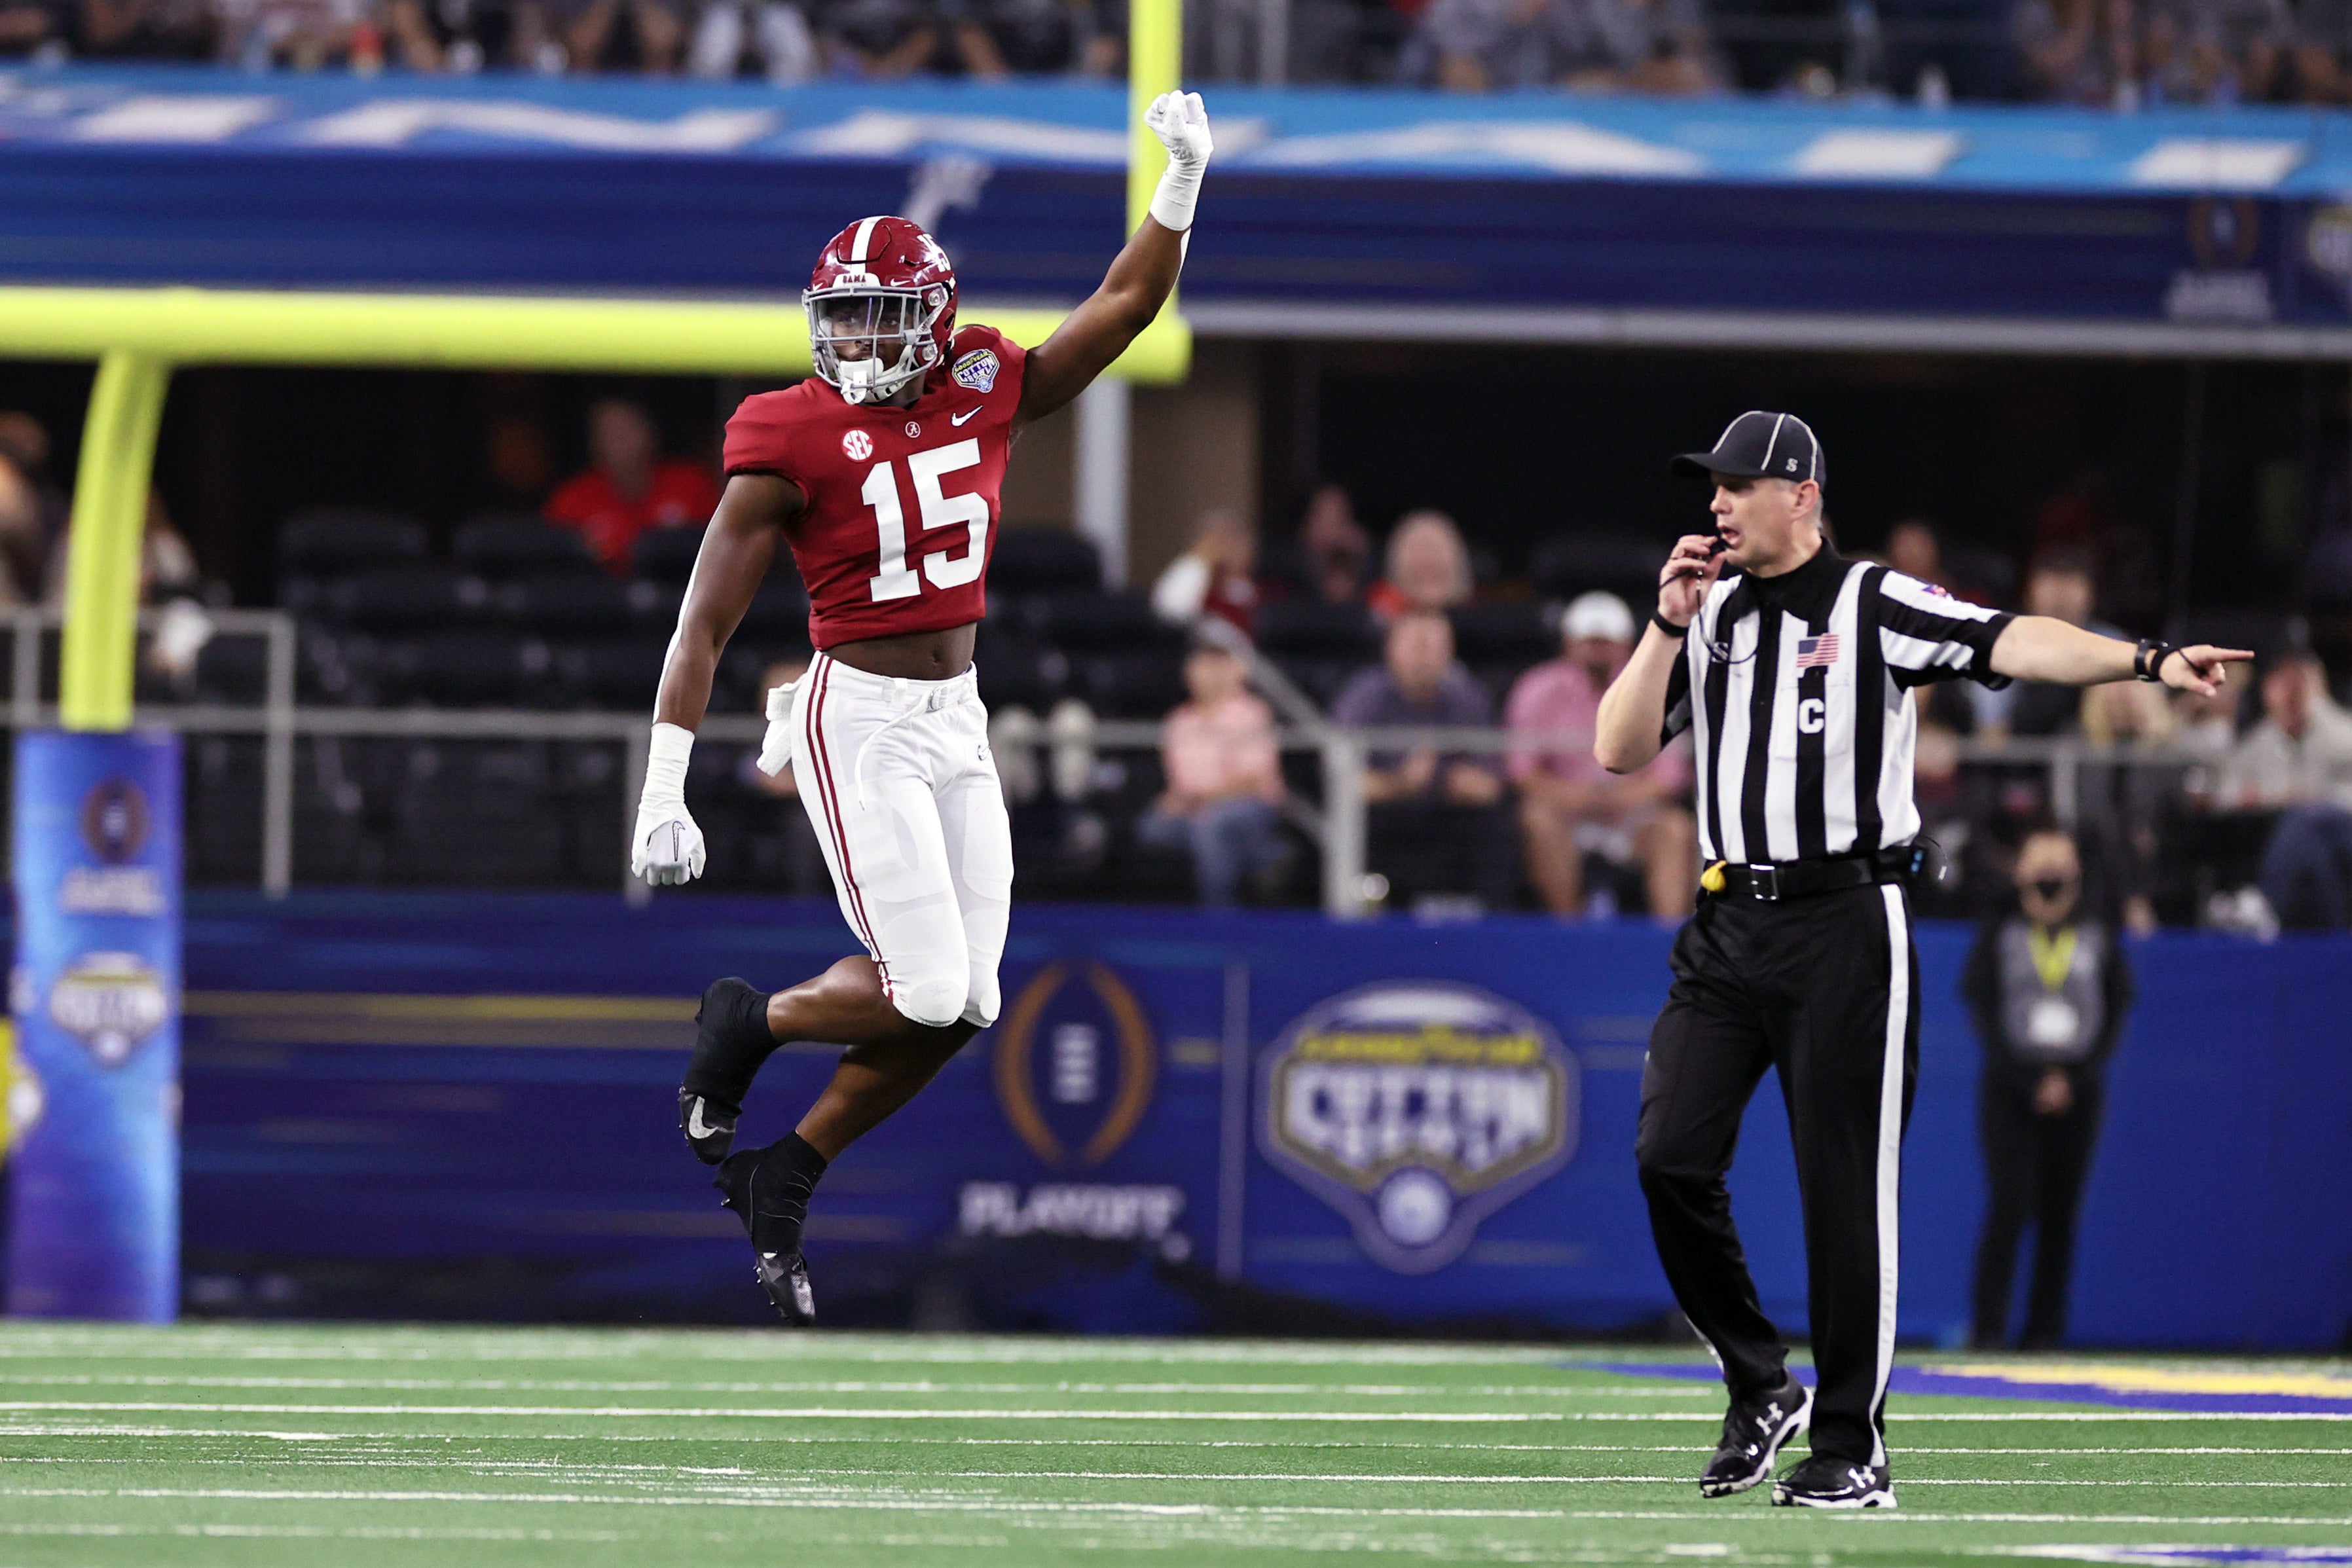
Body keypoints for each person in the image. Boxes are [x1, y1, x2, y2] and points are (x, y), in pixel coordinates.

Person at [1593, 409, 2247, 1509]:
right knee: (1667, 1156)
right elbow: (1615, 750)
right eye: (1709, 486)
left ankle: (1852, 1444)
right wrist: (1663, 625)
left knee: (1842, 1192)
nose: (1714, 504)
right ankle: (1759, 1383)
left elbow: (2012, 638)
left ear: (1799, 495)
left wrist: (2146, 659)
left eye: (1736, 485)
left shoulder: (1871, 600)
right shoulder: (1708, 620)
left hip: (1844, 919)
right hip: (1725, 922)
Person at [634, 92, 1215, 1325]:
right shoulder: (786, 431)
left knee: (974, 1000)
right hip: (859, 718)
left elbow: (1119, 311)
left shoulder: (978, 375)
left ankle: (786, 1172)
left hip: (958, 716)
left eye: (876, 317)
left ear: (931, 317)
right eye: (837, 318)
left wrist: (1179, 185)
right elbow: (705, 619)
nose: (853, 342)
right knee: (927, 987)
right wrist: (662, 783)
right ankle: (749, 1022)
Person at [1963, 826, 2133, 1351]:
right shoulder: (2000, 934)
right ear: (2020, 871)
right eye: (2040, 862)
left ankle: (2045, 1328)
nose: (2051, 874)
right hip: (2012, 1088)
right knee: (2011, 1201)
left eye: (2061, 862)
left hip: (2079, 1090)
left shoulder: (2099, 934)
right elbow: (1983, 1013)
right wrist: (2031, 1078)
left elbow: (2115, 1011)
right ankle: (1988, 1327)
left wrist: (2071, 1078)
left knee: (2061, 1210)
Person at [1506, 591, 1696, 919]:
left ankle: (1669, 939)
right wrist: (1574, 797)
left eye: (1606, 641)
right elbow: (1522, 771)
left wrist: (1623, 799)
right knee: (1537, 820)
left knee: (1675, 829)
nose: (1597, 650)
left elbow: (1670, 776)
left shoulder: (1654, 684)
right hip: (1565, 811)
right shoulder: (1537, 688)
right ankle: (1570, 933)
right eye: (1588, 641)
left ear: (1625, 644)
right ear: (1569, 642)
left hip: (1633, 815)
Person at [1333, 608, 1514, 909]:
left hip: (1449, 813)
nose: (1426, 657)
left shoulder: (1467, 698)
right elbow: (1344, 785)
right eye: (1417, 646)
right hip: (1388, 815)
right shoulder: (1364, 697)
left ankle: (1493, 927)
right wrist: (1402, 783)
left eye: (1436, 647)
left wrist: (1465, 783)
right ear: (1391, 649)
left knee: (1498, 828)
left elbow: (1491, 784)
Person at [1137, 642, 1289, 907]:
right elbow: (1180, 781)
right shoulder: (1179, 722)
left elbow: (1252, 779)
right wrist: (1175, 800)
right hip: (1196, 807)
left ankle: (1218, 915)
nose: (1202, 675)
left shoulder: (1250, 712)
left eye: (1209, 667)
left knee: (1211, 827)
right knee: (1153, 827)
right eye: (1196, 668)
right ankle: (1266, 854)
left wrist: (1205, 799)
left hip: (1251, 804)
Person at [2215, 652, 2352, 927]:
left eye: (2299, 684)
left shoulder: (2342, 733)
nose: (2291, 695)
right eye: (2282, 686)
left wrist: (2311, 799)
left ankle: (2265, 905)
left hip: (2341, 830)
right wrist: (2262, 798)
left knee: (2306, 818)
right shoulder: (2257, 743)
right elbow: (2225, 794)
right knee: (2315, 858)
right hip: (2295, 844)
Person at [543, 400, 721, 576]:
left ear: (650, 433)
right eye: (609, 433)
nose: (620, 442)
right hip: (601, 599)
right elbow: (553, 564)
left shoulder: (691, 483)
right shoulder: (572, 498)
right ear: (595, 443)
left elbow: (724, 547)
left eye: (626, 431)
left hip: (681, 595)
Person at [1150, 507, 1260, 639]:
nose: (1225, 548)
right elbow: (1171, 612)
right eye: (1218, 542)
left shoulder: (1264, 592)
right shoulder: (1195, 588)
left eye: (1233, 539)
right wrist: (1202, 559)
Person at [1365, 509, 1473, 621]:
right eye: (1416, 549)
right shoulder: (1370, 619)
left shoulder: (1479, 619)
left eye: (1435, 549)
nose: (1427, 559)